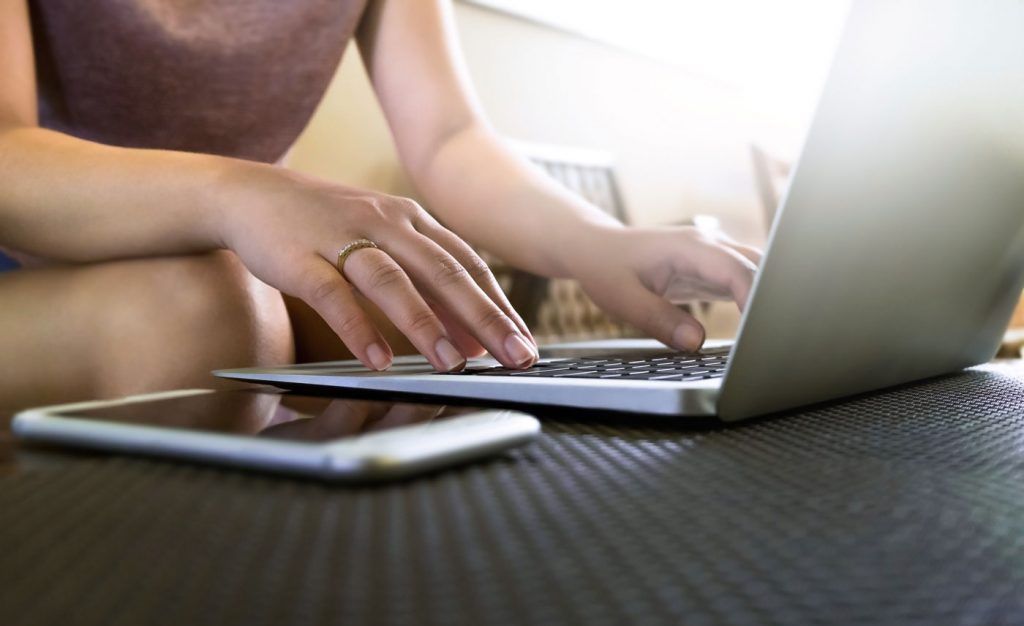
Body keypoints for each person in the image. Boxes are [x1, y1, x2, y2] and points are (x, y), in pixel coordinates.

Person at [0, 0, 762, 409]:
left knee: (436, 330)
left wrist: (595, 241)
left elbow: (450, 137)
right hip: (31, 270)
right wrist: (235, 193)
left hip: (232, 257)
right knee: (196, 319)